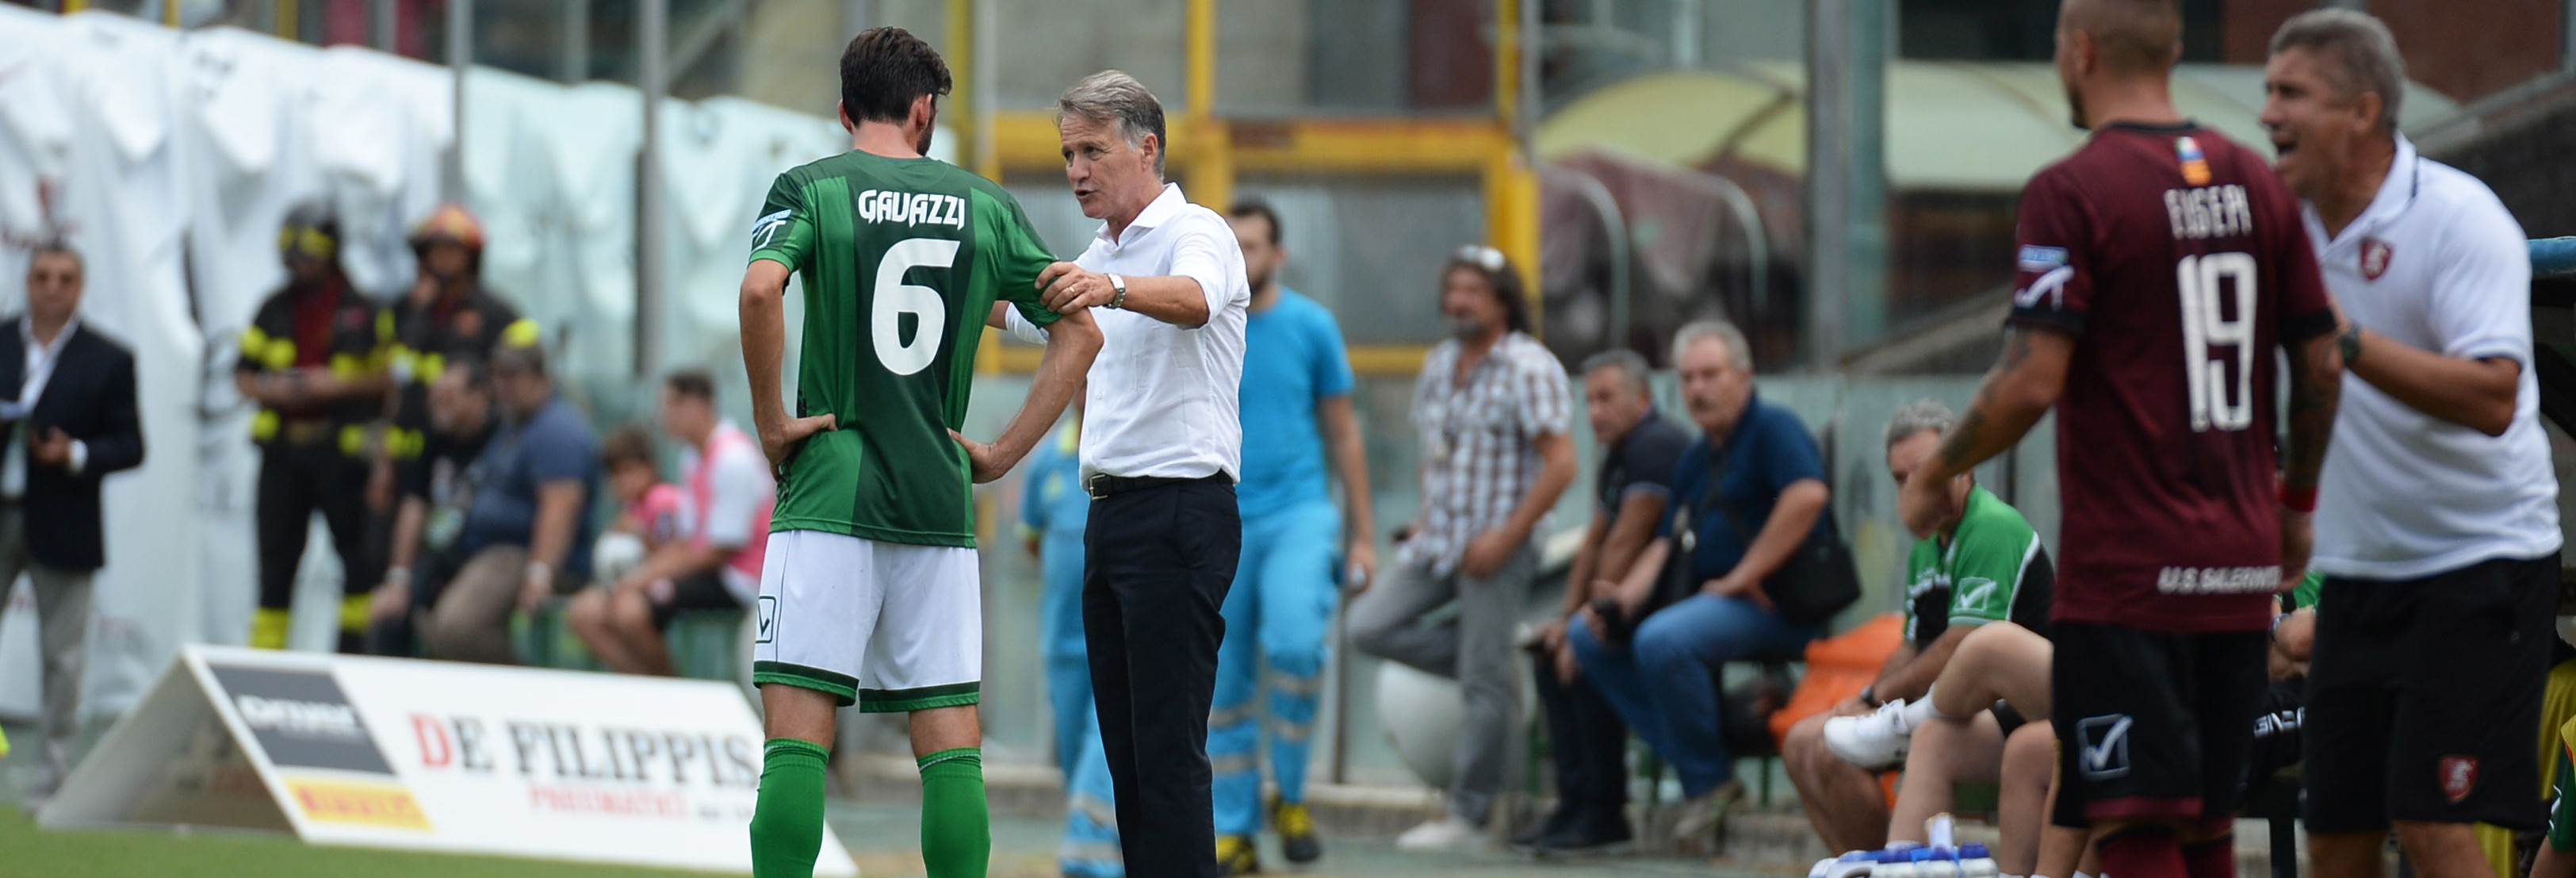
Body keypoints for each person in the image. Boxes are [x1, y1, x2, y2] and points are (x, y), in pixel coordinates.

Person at [1897, 5, 2344, 878]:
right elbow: (2322, 365)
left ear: (2080, 49)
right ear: (2175, 49)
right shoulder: (2257, 181)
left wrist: (1936, 472)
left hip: (2133, 572)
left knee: (2130, 824)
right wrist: (2294, 510)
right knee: (2205, 823)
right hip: (2239, 567)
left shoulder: (2074, 190)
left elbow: (2031, 374)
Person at [738, 28, 1100, 878]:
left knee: (797, 737)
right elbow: (1078, 335)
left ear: (842, 109)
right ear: (924, 109)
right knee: (948, 739)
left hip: (829, 482)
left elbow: (761, 289)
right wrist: (1004, 452)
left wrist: (769, 421)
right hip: (937, 496)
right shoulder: (985, 205)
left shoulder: (811, 187)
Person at [2256, 12, 2563, 878]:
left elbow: (2496, 397)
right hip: (2365, 572)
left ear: (2361, 111)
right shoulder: (2293, 232)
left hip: (2482, 563)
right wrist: (2297, 508)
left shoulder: (2460, 220)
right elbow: (2316, 384)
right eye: (2267, 90)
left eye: (2291, 92)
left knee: (2429, 819)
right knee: (2339, 835)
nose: (2267, 112)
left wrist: (2348, 340)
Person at [989, 69, 1251, 878]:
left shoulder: (1195, 231)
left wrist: (1115, 287)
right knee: (1133, 757)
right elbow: (1026, 318)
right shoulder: (1100, 255)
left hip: (1179, 512)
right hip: (1113, 518)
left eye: (1093, 150)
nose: (1076, 170)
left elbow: (1199, 297)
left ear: (1149, 147)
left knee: (1167, 755)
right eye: (1068, 153)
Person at [1565, 318, 1829, 853]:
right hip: (1713, 607)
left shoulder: (1773, 428)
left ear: (1743, 375)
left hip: (1778, 604)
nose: (1697, 389)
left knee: (1664, 639)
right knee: (1586, 634)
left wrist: (1743, 574)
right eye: (1687, 378)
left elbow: (1806, 496)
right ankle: (1706, 758)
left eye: (1710, 375)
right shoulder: (1698, 454)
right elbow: (1664, 543)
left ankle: (1707, 784)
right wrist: (1620, 599)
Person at [1348, 243, 1574, 851]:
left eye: (1474, 290)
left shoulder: (1529, 366)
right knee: (1367, 625)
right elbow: (1434, 452)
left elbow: (1561, 464)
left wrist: (1507, 535)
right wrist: (1424, 520)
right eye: (1454, 289)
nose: (1459, 301)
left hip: (1498, 542)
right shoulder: (1441, 362)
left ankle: (1468, 815)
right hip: (1439, 541)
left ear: (1503, 301)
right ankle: (1494, 670)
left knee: (1482, 677)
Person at [1793, 399, 2054, 853]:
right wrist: (1864, 702)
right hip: (1961, 708)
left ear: (1964, 465)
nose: (1915, 488)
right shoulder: (1928, 542)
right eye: (1901, 479)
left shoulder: (1990, 526)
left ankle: (1878, 855)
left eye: (1926, 471)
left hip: (2010, 707)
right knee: (1801, 740)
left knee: (1835, 751)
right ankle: (1864, 862)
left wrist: (1876, 700)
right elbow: (1912, 646)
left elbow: (1959, 646)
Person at [1208, 197, 1373, 872]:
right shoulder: (1206, 318)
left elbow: (1343, 430)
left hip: (1300, 513)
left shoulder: (1312, 325)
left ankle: (1294, 793)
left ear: (1277, 255)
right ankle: (1235, 827)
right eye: (1233, 245)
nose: (1243, 258)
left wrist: (1362, 535)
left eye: (1254, 246)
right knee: (1223, 680)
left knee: (1299, 645)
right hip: (1220, 517)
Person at [1515, 347, 1688, 852]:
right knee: (1550, 656)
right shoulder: (1618, 451)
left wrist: (1583, 626)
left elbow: (1626, 541)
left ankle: (1604, 811)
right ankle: (1572, 803)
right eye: (1588, 401)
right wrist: (1566, 619)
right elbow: (1594, 539)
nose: (1595, 412)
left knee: (1589, 656)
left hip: (1660, 602)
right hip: (1623, 605)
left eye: (1606, 399)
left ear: (1642, 398)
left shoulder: (1656, 443)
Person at [0, 241, 143, 808]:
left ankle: (52, 774)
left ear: (80, 287)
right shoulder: (2, 340)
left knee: (63, 655)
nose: (52, 287)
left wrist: (75, 453)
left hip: (63, 515)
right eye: (41, 276)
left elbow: (131, 444)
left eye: (64, 278)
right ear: (27, 282)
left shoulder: (108, 357)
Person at [237, 205, 392, 653]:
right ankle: (262, 670)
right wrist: (275, 391)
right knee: (275, 568)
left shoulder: (364, 309)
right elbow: (242, 375)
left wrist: (338, 385)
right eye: (292, 256)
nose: (298, 265)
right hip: (284, 456)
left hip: (343, 457)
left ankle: (355, 660)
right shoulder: (273, 306)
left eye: (308, 255)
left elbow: (392, 378)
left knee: (360, 563)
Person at [567, 370, 772, 676]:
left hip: (742, 580)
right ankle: (649, 688)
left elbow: (718, 551)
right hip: (710, 569)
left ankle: (674, 693)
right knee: (584, 612)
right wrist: (641, 575)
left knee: (631, 611)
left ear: (704, 405)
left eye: (675, 404)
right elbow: (686, 541)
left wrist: (643, 577)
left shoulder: (733, 458)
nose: (666, 414)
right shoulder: (693, 456)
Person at [377, 202, 534, 600]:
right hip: (411, 458)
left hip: (469, 457)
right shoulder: (408, 312)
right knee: (382, 562)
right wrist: (384, 462)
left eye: (451, 250)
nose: (441, 259)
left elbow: (526, 375)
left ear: (472, 256)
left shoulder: (498, 313)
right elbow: (392, 386)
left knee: (450, 566)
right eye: (434, 250)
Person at [420, 343, 598, 664]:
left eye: (513, 377)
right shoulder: (513, 425)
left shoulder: (555, 430)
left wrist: (540, 572)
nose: (504, 386)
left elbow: (561, 506)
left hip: (518, 554)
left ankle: (529, 693)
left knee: (457, 629)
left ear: (541, 379)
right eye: (499, 377)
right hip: (484, 553)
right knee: (426, 623)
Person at [1019, 409, 1123, 878]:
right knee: (1072, 755)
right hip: (1063, 644)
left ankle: (1089, 857)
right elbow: (1032, 539)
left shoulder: (1127, 458)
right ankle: (1107, 846)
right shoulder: (1047, 463)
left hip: (1117, 643)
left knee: (1106, 743)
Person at [367, 358, 499, 657]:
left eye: (449, 396)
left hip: (489, 551)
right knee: (392, 615)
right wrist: (398, 580)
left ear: (480, 397)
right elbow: (414, 506)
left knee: (455, 623)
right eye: (435, 396)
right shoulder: (431, 438)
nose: (438, 405)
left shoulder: (503, 438)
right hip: (442, 550)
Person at [599, 425, 683, 554]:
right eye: (615, 474)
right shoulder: (633, 504)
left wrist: (637, 531)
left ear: (650, 467)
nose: (622, 481)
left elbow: (669, 552)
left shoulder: (662, 499)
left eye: (628, 470)